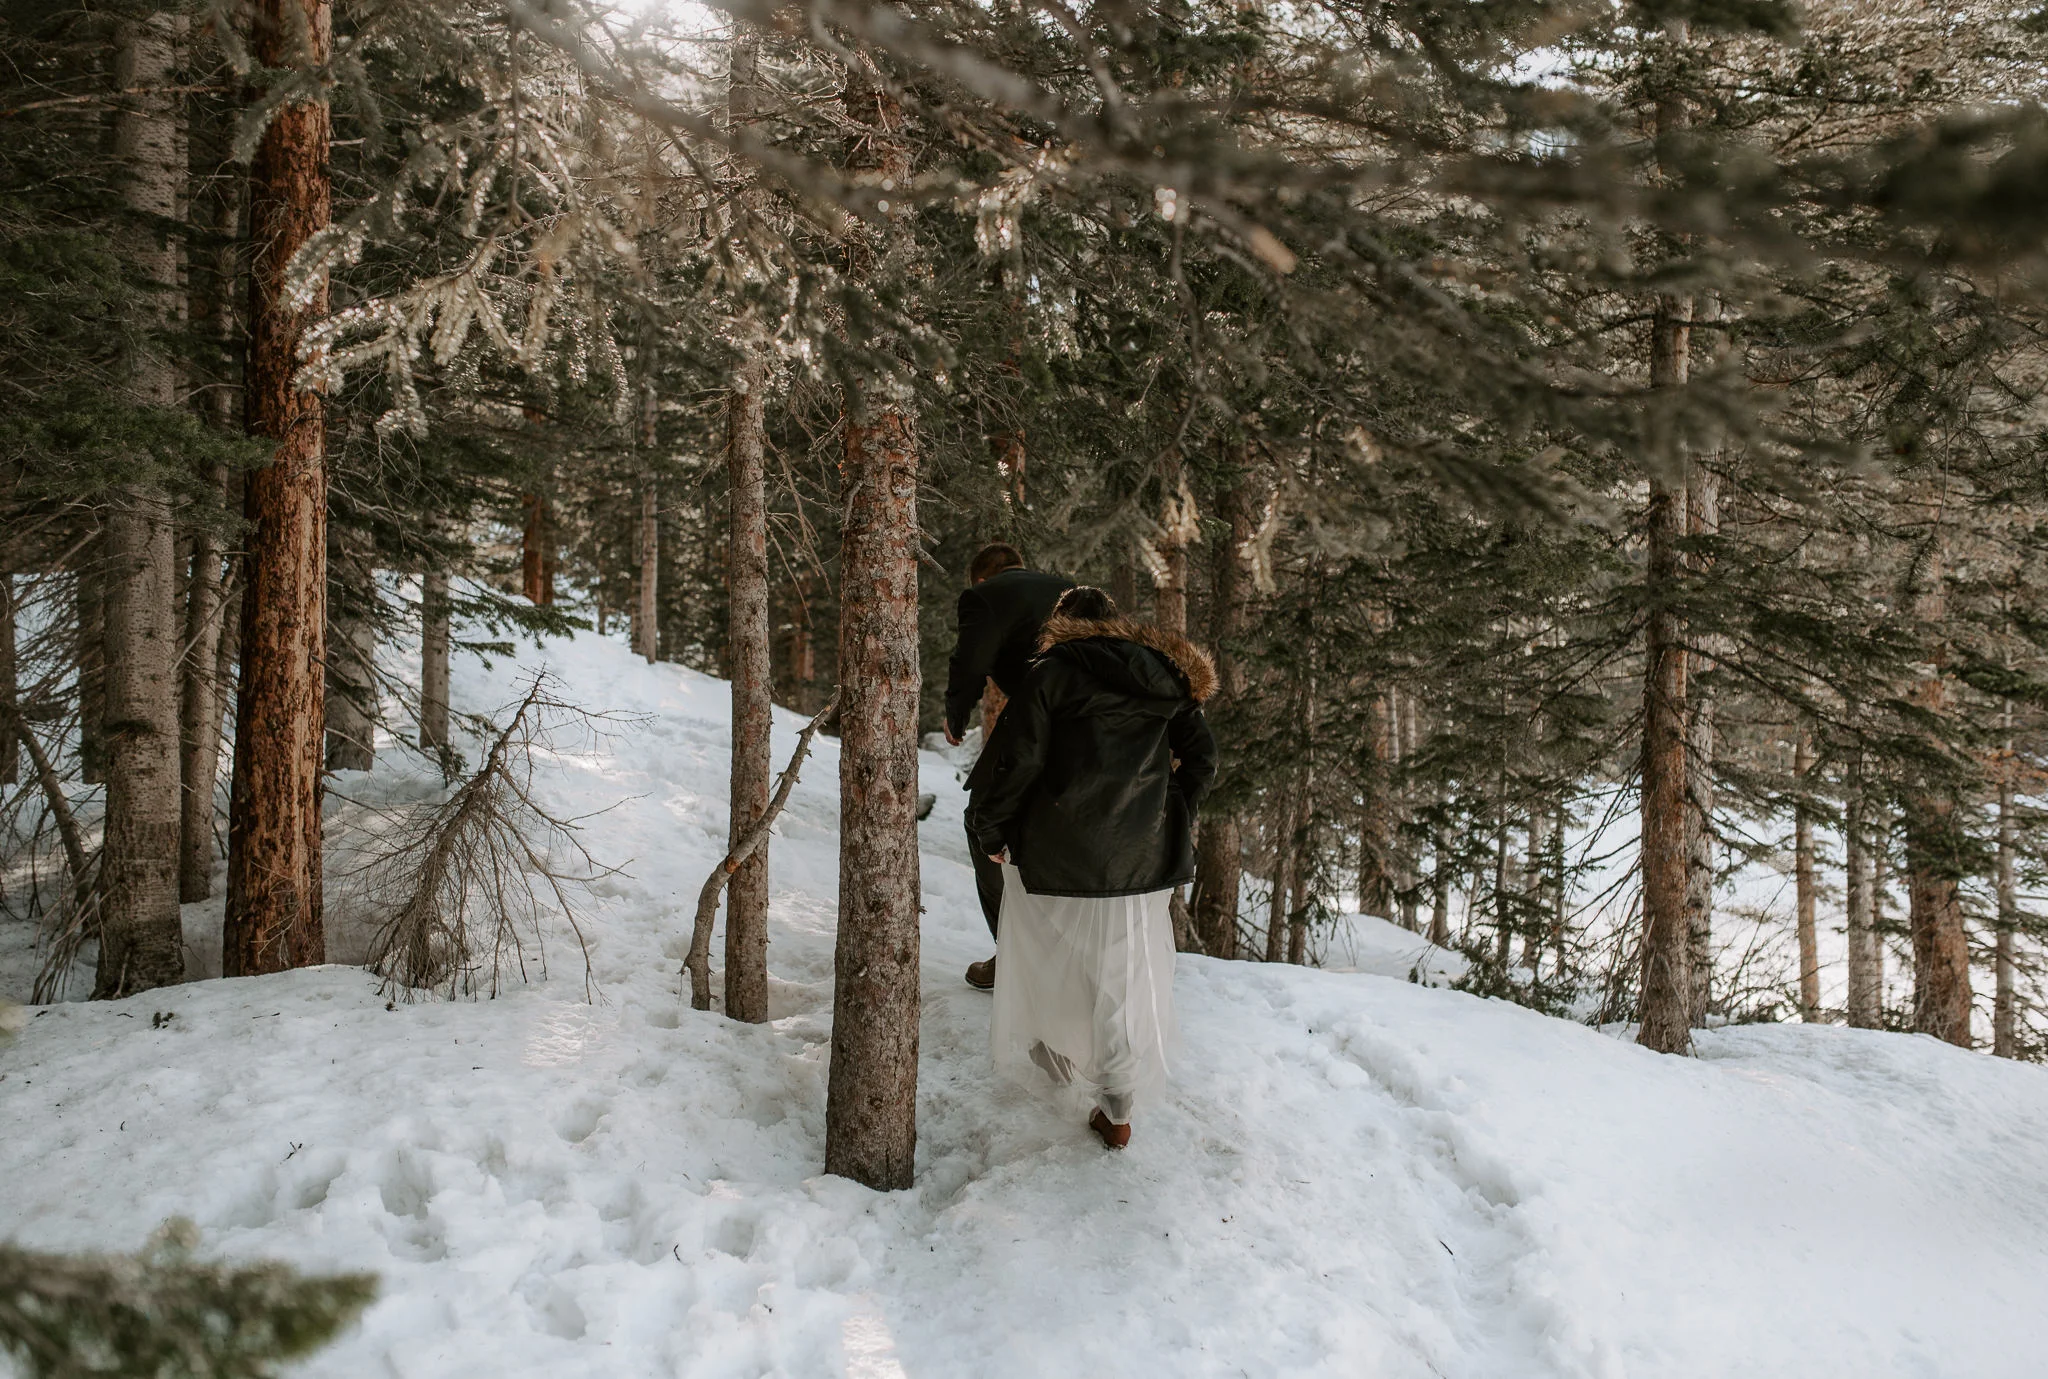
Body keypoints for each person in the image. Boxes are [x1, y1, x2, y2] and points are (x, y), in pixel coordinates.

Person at [967, 586, 1217, 1150]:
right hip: (1138, 860)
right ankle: (1118, 1108)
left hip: (1057, 851)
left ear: (1060, 625)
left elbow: (1021, 760)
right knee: (1120, 979)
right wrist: (1170, 812)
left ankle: (1056, 1058)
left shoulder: (1051, 673)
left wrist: (991, 828)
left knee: (1046, 953)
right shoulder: (1163, 676)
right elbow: (1203, 759)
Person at [944, 542, 1072, 990]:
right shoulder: (1068, 588)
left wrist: (956, 712)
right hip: (1098, 732)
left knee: (982, 821)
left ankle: (1016, 953)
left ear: (981, 578)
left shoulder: (986, 595)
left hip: (1040, 719)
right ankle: (1060, 954)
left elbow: (972, 660)